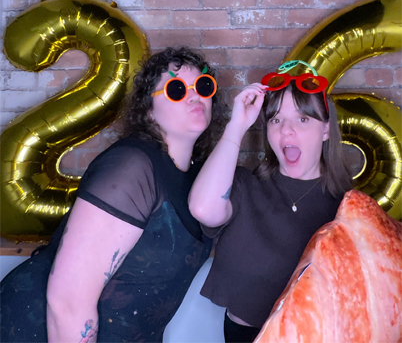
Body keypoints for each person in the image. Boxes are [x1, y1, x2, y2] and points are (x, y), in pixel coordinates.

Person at [0, 46, 225, 343]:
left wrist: (238, 126)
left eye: (204, 86)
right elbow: (68, 301)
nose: (195, 96)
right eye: (177, 89)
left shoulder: (198, 177)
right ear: (148, 110)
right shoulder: (132, 166)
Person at [189, 60, 353, 343]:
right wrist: (237, 125)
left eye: (303, 119)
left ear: (326, 130)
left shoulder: (348, 209)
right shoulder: (244, 186)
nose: (286, 130)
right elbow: (203, 208)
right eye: (276, 119)